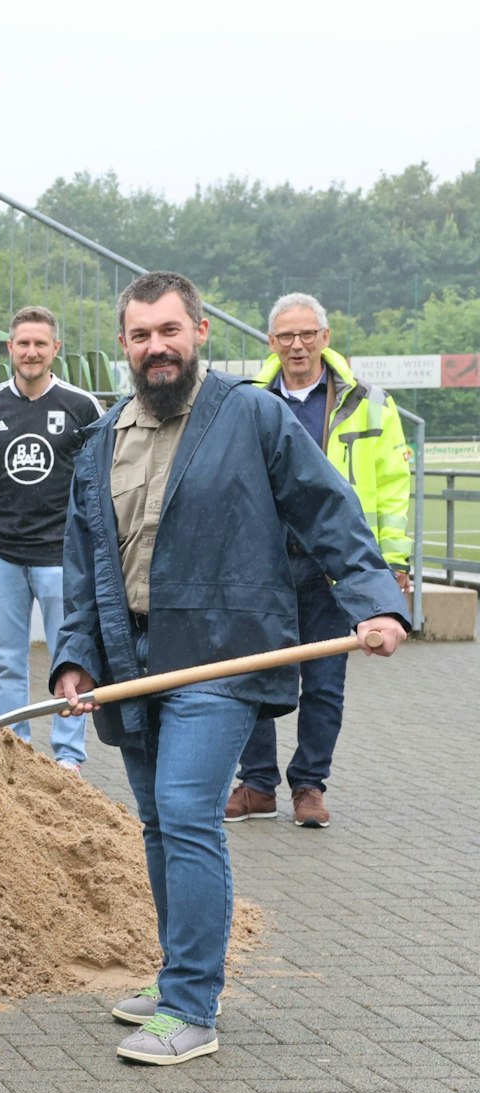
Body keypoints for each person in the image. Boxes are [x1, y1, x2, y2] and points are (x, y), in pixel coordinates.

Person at [51, 271, 407, 1066]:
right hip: (130, 655)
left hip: (224, 653)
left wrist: (375, 600)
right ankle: (179, 971)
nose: (157, 348)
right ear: (123, 346)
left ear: (200, 332)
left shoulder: (251, 414)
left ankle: (192, 1007)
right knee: (153, 818)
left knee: (184, 809)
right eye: (141, 336)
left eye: (170, 331)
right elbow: (85, 564)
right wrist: (75, 657)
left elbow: (328, 507)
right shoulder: (101, 440)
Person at [226, 293, 414, 829]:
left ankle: (309, 785)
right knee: (255, 675)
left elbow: (396, 488)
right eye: (286, 336)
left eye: (307, 334)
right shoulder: (249, 401)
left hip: (334, 566)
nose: (297, 344)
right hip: (264, 565)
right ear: (272, 343)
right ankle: (257, 784)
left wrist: (391, 563)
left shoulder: (370, 402)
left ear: (325, 339)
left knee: (325, 683)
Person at [0, 308, 101, 772]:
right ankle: (14, 751)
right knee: (7, 661)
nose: (31, 352)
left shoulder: (82, 406)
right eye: (23, 343)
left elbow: (96, 476)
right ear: (9, 349)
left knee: (70, 661)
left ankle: (68, 758)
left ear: (55, 349)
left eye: (41, 343)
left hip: (62, 557)